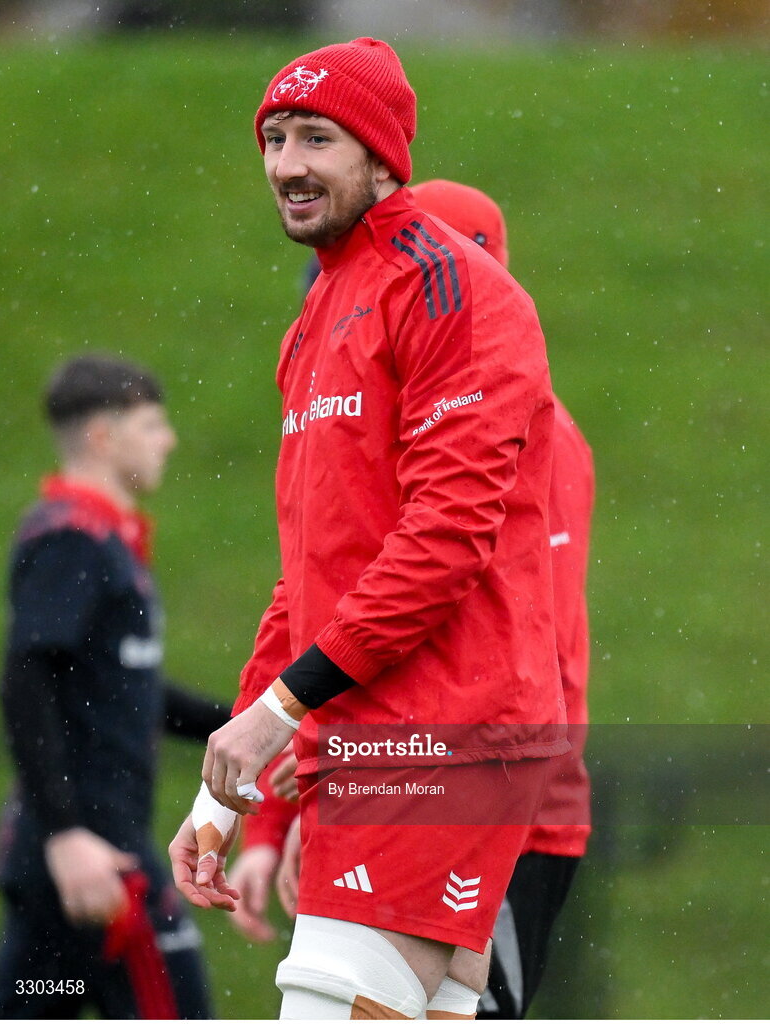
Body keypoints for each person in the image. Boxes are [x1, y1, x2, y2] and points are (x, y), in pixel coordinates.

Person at [170, 38, 568, 1020]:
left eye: (317, 136)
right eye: (272, 137)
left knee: (322, 1000)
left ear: (385, 156)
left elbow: (444, 537)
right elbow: (303, 573)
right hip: (365, 737)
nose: (286, 162)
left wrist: (283, 708)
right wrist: (229, 784)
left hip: (438, 735)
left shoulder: (452, 289)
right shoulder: (315, 319)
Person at [228, 180, 595, 1017]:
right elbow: (318, 591)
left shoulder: (531, 433)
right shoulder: (396, 417)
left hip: (485, 782)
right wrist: (288, 810)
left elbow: (523, 635)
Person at [0, 354, 231, 1019]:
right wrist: (67, 835)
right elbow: (25, 679)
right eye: (152, 424)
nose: (169, 440)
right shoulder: (73, 539)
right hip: (94, 857)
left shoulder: (103, 542)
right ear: (101, 436)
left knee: (32, 1003)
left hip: (65, 857)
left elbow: (135, 693)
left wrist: (252, 723)